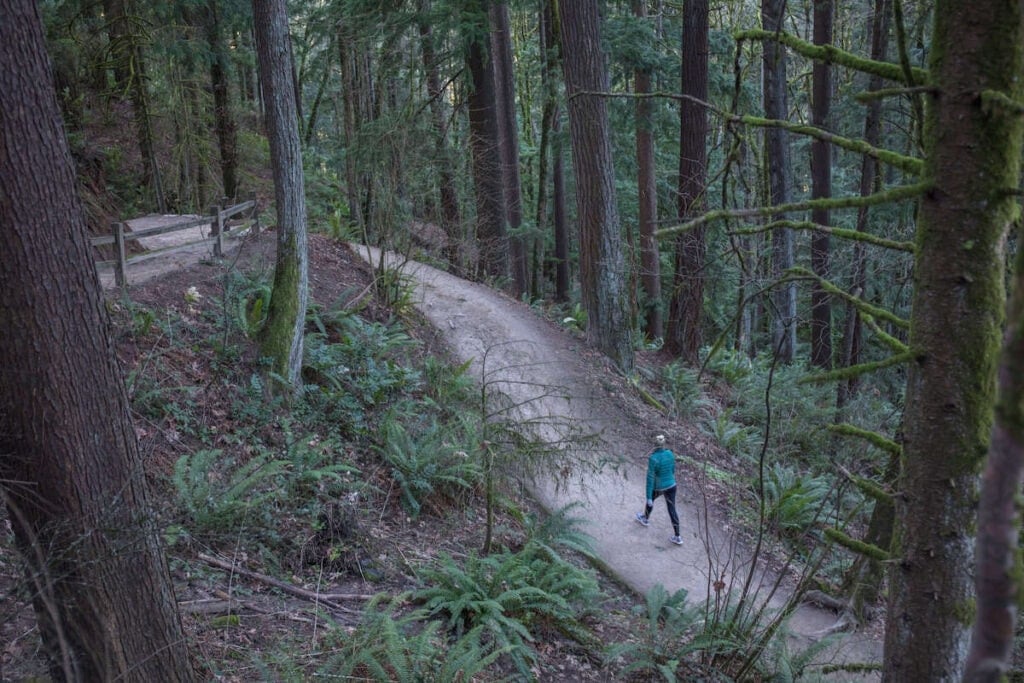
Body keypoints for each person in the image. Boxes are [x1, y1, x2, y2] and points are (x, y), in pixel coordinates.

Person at [635, 434, 683, 545]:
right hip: (672, 486)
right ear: (664, 445)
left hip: (660, 487)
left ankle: (645, 518)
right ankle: (678, 536)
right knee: (672, 509)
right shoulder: (670, 454)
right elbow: (672, 470)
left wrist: (648, 497)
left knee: (651, 498)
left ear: (654, 446)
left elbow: (650, 478)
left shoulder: (653, 458)